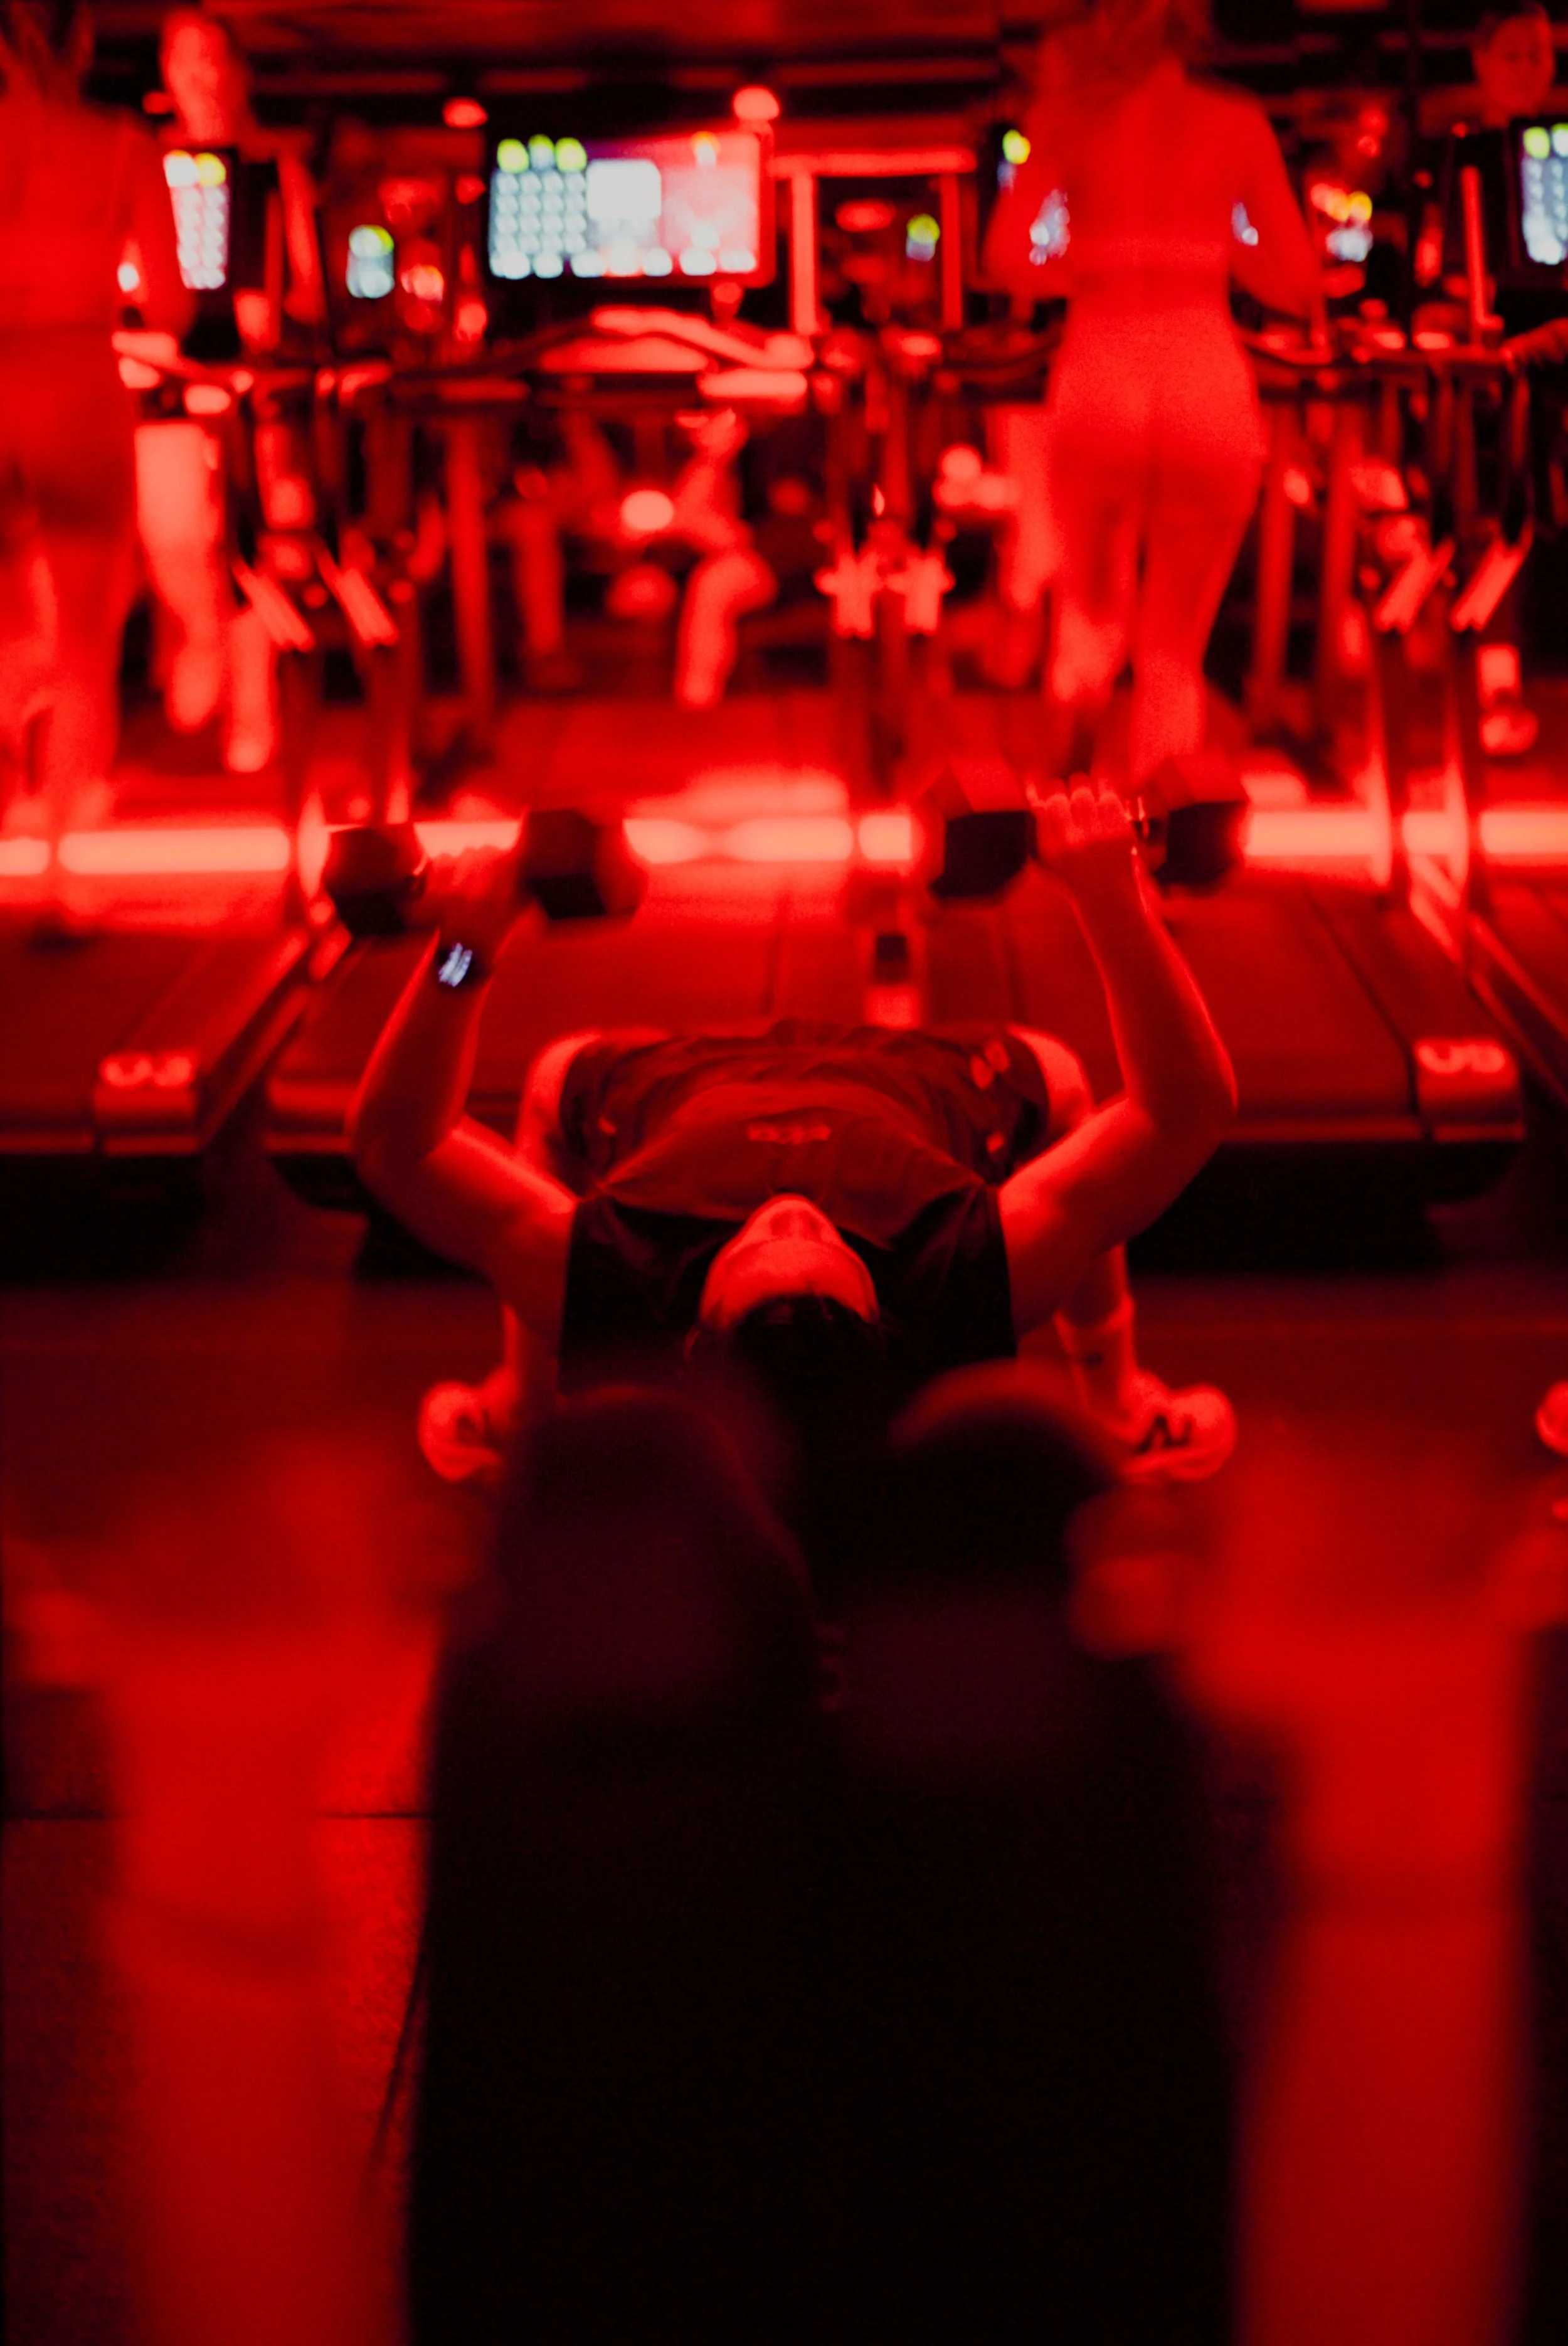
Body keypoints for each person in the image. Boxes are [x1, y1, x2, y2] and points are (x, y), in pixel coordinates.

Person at [348, 780, 1240, 1501]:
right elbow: (1181, 1111)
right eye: (827, 1242)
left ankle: (521, 1406)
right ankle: (1121, 1398)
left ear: (700, 1321)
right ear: (879, 1305)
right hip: (912, 1077)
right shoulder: (957, 1275)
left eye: (764, 1241)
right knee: (1061, 1078)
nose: (795, 1211)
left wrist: (466, 948)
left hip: (675, 1075)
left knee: (554, 1079)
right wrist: (1110, 897)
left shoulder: (622, 1276)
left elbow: (397, 1146)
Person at [982, 0, 1320, 785]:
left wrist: (1092, 266)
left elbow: (1003, 257)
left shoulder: (1066, 118)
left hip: (1101, 372)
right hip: (1202, 375)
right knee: (1173, 647)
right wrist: (1211, 253)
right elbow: (1299, 280)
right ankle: (1167, 841)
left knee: (1092, 619)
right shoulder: (1235, 122)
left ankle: (1067, 798)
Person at [0, 0, 190, 911]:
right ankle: (61, 870)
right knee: (85, 641)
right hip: (74, 377)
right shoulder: (120, 145)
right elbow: (171, 312)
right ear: (80, 44)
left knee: (17, 633)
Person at [134, 7, 325, 775]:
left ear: (241, 72)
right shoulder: (144, 163)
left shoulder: (274, 166)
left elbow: (312, 293)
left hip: (255, 386)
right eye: (187, 61)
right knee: (172, 534)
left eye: (216, 59)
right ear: (168, 75)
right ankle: (202, 635)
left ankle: (254, 692)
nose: (204, 77)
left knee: (262, 538)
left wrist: (275, 309)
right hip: (165, 385)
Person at [1412, 3, 1562, 758]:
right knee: (1499, 512)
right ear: (1480, 62)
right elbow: (1443, 273)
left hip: (1544, 352)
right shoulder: (1467, 154)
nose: (1531, 68)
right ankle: (1496, 687)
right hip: (1497, 362)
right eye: (1514, 54)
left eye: (1539, 54)